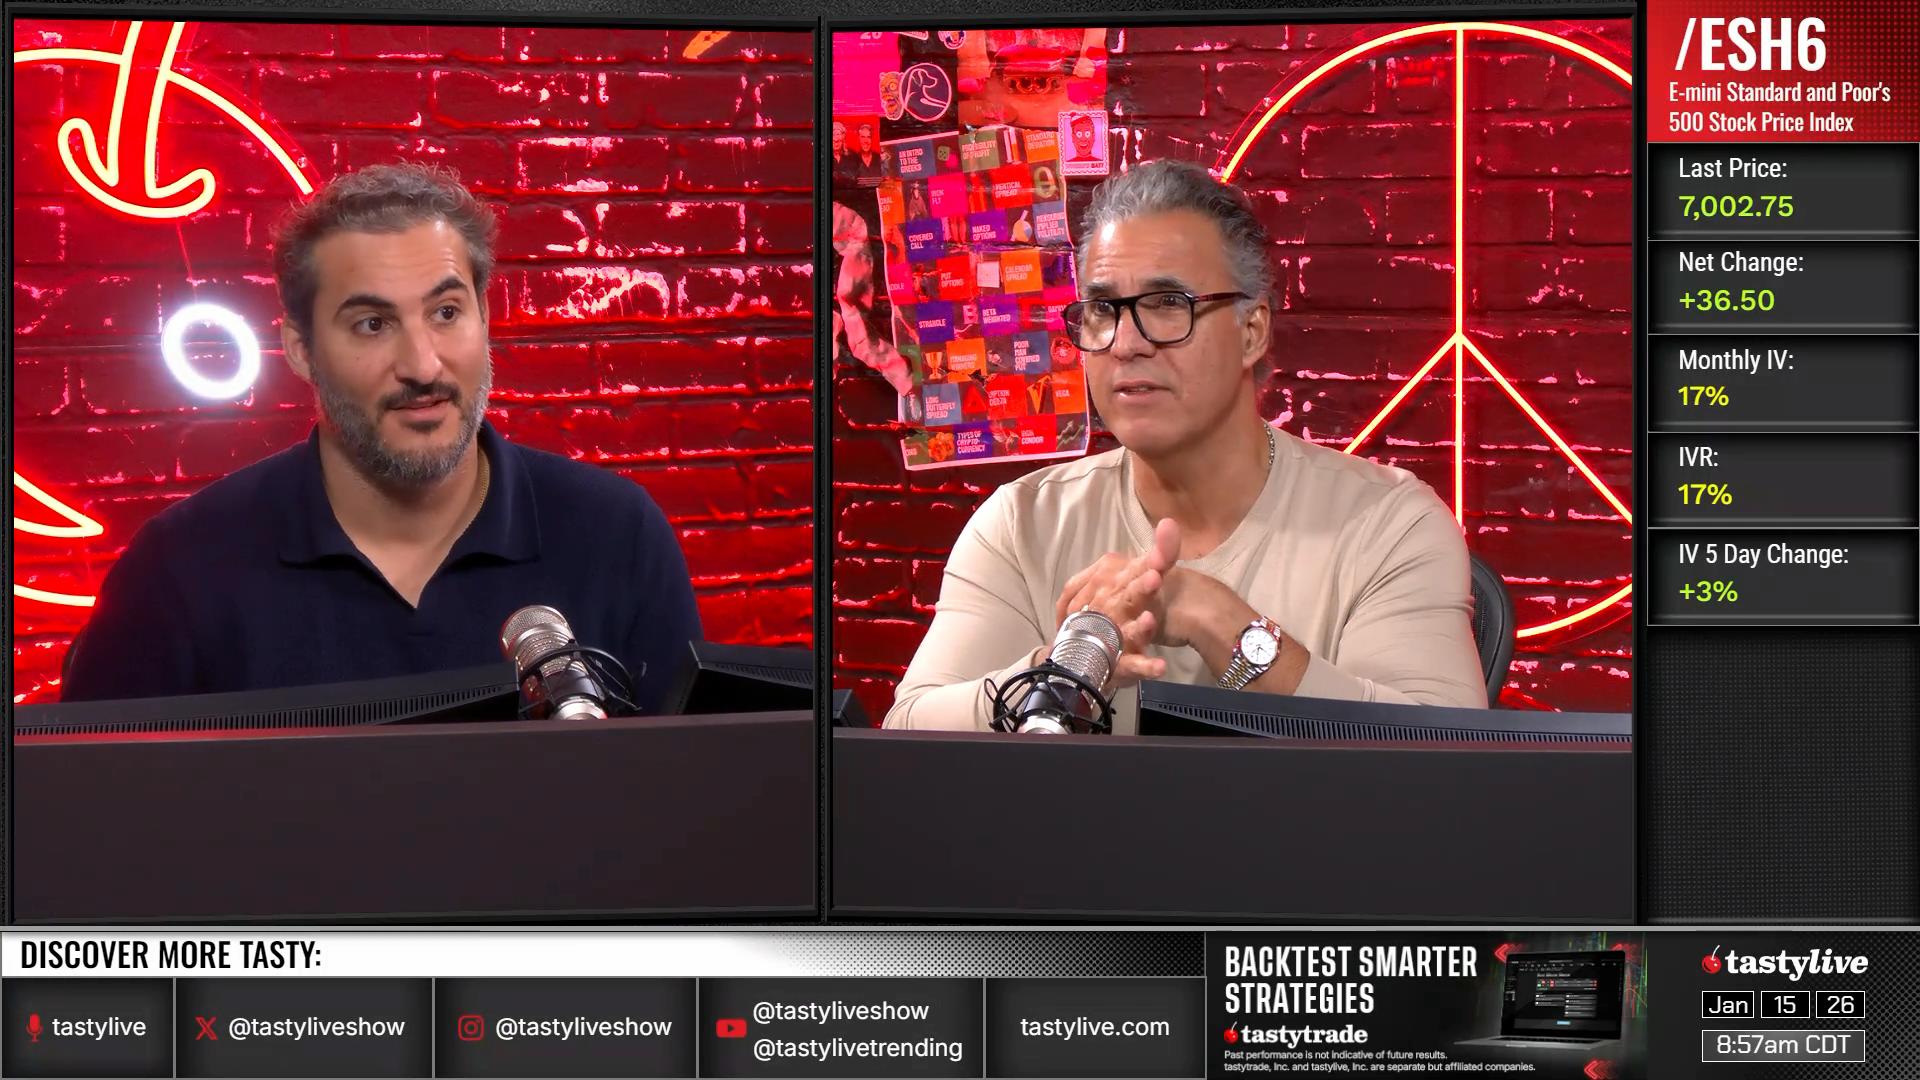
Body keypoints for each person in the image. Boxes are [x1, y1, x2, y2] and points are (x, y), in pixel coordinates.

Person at [63, 164, 703, 710]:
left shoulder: (617, 536)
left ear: (485, 317)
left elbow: (688, 797)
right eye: (372, 324)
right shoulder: (179, 570)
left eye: (446, 313)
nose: (422, 365)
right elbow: (87, 808)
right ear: (301, 349)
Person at [884, 160, 1484, 733]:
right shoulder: (1023, 523)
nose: (1126, 344)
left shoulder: (1390, 524)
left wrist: (1214, 618)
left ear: (1252, 332)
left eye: (1168, 305)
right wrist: (1071, 662)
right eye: (1103, 311)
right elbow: (907, 732)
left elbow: (1447, 759)